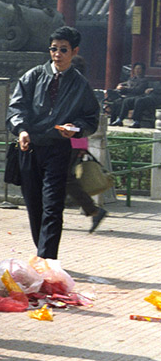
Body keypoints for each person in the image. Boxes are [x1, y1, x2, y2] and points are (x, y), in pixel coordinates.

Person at [6, 26, 100, 259]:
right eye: (53, 49)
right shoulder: (33, 75)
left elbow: (90, 118)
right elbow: (16, 107)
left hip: (59, 150)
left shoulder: (80, 84)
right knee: (34, 205)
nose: (57, 54)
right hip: (30, 146)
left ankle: (47, 259)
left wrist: (75, 129)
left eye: (63, 50)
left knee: (53, 206)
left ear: (74, 51)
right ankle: (42, 254)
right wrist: (21, 130)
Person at [65, 55, 108, 232]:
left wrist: (82, 145)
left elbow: (85, 118)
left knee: (66, 179)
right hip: (71, 140)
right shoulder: (74, 87)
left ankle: (93, 209)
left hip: (72, 140)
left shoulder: (78, 89)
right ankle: (51, 213)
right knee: (61, 179)